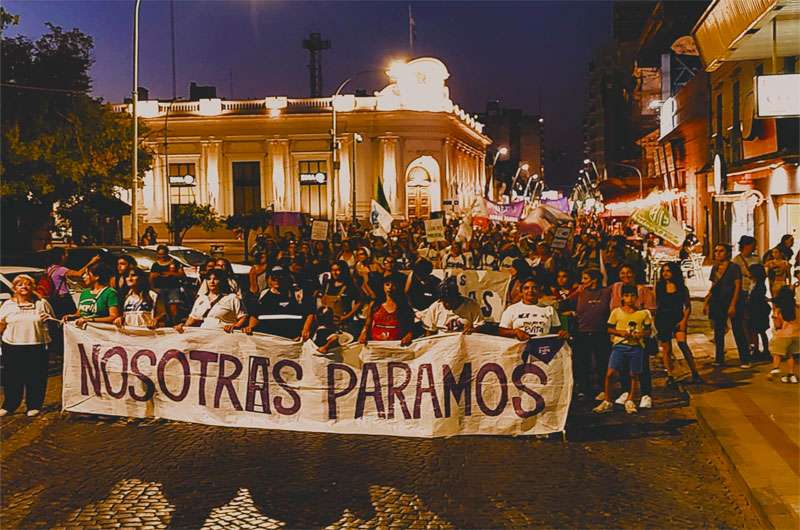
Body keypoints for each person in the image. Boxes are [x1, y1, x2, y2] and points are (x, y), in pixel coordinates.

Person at [0, 275, 56, 417]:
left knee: (36, 377)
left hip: (37, 345)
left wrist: (48, 321)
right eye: (20, 285)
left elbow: (53, 322)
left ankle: (34, 405)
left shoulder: (41, 303)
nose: (24, 287)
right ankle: (10, 405)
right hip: (12, 345)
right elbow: (1, 324)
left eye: (27, 284)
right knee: (12, 377)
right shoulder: (8, 305)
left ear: (33, 287)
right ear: (14, 288)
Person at [594, 284, 653, 415]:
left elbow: (648, 331)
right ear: (622, 297)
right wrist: (620, 333)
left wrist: (640, 334)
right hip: (619, 346)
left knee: (633, 374)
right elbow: (609, 328)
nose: (630, 299)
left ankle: (630, 399)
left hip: (636, 347)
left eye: (632, 296)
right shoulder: (616, 312)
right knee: (610, 373)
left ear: (637, 297)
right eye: (627, 296)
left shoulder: (642, 313)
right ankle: (607, 400)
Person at [561, 268, 611, 399]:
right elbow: (564, 304)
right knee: (582, 362)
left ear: (594, 280)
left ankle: (603, 389)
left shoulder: (606, 292)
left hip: (601, 332)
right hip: (582, 332)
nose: (582, 282)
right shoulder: (580, 292)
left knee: (602, 362)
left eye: (585, 279)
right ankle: (584, 388)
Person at [704, 244, 751, 368]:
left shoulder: (734, 268)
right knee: (718, 331)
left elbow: (737, 286)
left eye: (721, 251)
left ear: (727, 253)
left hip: (731, 301)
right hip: (717, 302)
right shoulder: (714, 268)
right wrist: (707, 301)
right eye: (716, 251)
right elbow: (714, 285)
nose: (718, 253)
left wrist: (733, 304)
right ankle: (719, 359)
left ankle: (745, 359)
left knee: (738, 329)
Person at [655, 262, 702, 385]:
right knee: (666, 349)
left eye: (668, 271)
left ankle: (695, 372)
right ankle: (670, 375)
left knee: (682, 344)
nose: (665, 273)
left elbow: (687, 306)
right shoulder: (659, 286)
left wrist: (684, 321)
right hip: (663, 318)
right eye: (664, 271)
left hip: (677, 317)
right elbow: (657, 303)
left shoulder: (682, 288)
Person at [176, 269, 247, 333]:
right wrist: (183, 326)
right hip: (203, 336)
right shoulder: (201, 299)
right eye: (209, 279)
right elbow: (192, 319)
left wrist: (235, 327)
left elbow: (243, 317)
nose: (212, 281)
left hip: (224, 337)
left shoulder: (232, 298)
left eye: (215, 279)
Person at [499, 277, 564, 342]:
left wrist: (562, 333)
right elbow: (501, 331)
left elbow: (557, 330)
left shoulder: (549, 309)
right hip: (519, 347)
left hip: (543, 346)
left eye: (534, 288)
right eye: (526, 288)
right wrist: (515, 332)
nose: (530, 291)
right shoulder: (512, 309)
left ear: (539, 291)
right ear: (521, 292)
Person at [42, 248, 100, 318]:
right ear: (61, 256)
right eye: (66, 254)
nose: (67, 256)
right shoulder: (61, 269)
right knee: (71, 317)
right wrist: (92, 261)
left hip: (54, 298)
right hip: (64, 299)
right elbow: (79, 274)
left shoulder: (50, 269)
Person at [416, 277, 484, 335]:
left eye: (451, 300)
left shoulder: (471, 305)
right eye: (445, 301)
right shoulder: (435, 307)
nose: (447, 304)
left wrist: (473, 330)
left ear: (457, 296)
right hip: (444, 345)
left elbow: (480, 326)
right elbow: (429, 332)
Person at [359, 275, 414, 346]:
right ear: (383, 286)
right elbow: (367, 324)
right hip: (375, 344)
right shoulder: (375, 304)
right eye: (387, 284)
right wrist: (363, 333)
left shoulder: (405, 307)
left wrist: (409, 335)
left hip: (396, 345)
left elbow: (410, 327)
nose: (390, 287)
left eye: (393, 285)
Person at [62, 262, 121, 328]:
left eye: (87, 274)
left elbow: (113, 316)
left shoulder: (110, 293)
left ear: (96, 277)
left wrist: (90, 320)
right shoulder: (85, 293)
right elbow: (80, 313)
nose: (84, 276)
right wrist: (71, 316)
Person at [768, 286, 800, 383]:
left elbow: (778, 324)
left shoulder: (779, 309)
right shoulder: (797, 307)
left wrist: (774, 317)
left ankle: (775, 368)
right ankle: (791, 375)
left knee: (777, 353)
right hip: (796, 335)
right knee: (790, 355)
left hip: (783, 335)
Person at [149, 244, 185, 323]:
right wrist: (153, 288)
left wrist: (171, 274)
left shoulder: (175, 263)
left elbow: (182, 275)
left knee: (173, 308)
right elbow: (151, 277)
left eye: (163, 254)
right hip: (159, 289)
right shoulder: (155, 265)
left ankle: (175, 322)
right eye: (160, 254)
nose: (162, 256)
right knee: (162, 309)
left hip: (173, 288)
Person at [747, 264, 772, 360]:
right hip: (756, 309)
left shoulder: (760, 285)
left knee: (760, 330)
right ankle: (758, 349)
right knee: (757, 331)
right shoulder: (754, 283)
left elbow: (757, 298)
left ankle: (764, 350)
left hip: (758, 310)